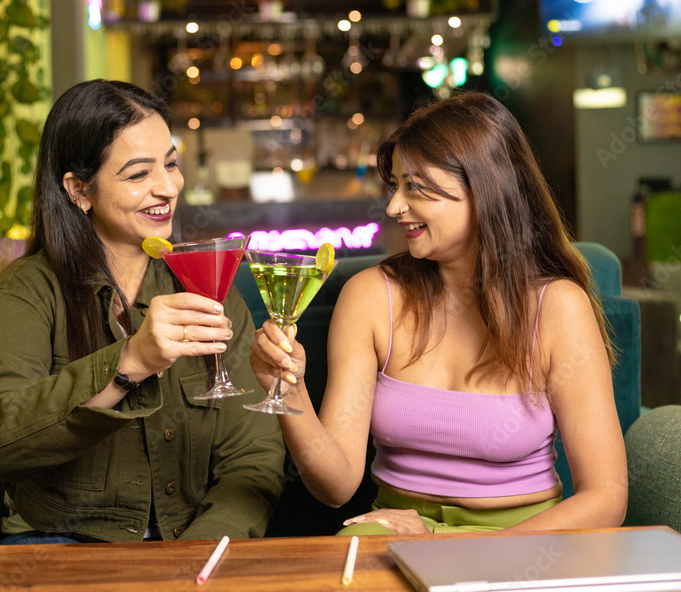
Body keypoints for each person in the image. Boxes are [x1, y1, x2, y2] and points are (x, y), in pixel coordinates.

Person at [249, 92, 627, 535]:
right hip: (398, 527)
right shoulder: (371, 297)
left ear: (484, 191)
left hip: (524, 542)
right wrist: (289, 395)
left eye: (417, 187)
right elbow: (336, 486)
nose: (393, 207)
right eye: (395, 185)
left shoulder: (558, 308)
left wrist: (455, 552)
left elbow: (606, 498)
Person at [0, 79, 285, 544]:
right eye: (138, 175)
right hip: (63, 544)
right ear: (78, 190)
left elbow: (253, 456)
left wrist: (200, 551)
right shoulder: (29, 289)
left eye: (171, 164)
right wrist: (129, 364)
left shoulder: (206, 284)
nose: (168, 188)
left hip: (192, 545)